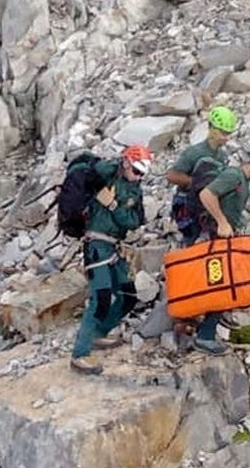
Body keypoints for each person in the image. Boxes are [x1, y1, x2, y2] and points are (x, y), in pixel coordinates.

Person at [190, 143, 250, 356]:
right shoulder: (233, 176)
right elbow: (207, 195)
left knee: (225, 283)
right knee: (222, 285)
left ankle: (212, 322)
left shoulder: (243, 181)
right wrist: (222, 222)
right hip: (216, 236)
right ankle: (205, 336)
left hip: (225, 237)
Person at [70, 145, 152, 375]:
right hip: (96, 245)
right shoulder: (106, 173)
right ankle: (79, 353)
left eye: (142, 174)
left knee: (128, 295)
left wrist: (114, 206)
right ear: (126, 162)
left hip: (114, 246)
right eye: (136, 171)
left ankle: (100, 333)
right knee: (101, 298)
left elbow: (134, 221)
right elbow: (89, 176)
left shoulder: (135, 190)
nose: (138, 177)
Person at [166, 105, 240, 331]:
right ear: (211, 128)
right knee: (191, 255)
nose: (225, 137)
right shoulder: (194, 153)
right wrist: (195, 183)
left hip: (205, 211)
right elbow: (171, 175)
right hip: (188, 209)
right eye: (222, 132)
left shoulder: (222, 156)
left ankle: (208, 306)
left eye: (228, 133)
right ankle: (185, 311)